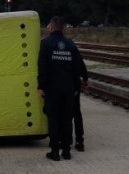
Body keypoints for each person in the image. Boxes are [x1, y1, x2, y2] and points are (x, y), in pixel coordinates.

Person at [38, 16, 84, 162]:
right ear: (63, 27)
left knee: (53, 119)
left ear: (51, 27)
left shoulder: (45, 44)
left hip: (52, 89)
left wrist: (41, 86)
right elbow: (77, 67)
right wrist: (77, 86)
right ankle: (66, 151)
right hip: (68, 88)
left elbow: (43, 67)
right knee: (66, 119)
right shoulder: (70, 44)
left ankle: (55, 151)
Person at [73, 56, 88, 151]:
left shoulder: (49, 45)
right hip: (75, 85)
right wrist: (85, 79)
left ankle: (65, 141)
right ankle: (79, 141)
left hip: (62, 84)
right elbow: (81, 64)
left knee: (64, 115)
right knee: (76, 113)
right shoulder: (72, 47)